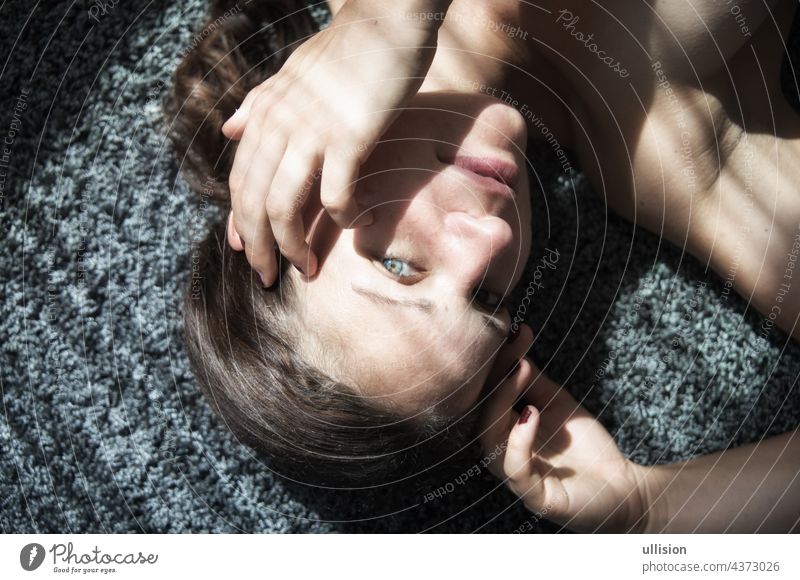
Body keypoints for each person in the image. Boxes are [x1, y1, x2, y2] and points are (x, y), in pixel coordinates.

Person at [166, 0, 799, 531]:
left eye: (400, 267)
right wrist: (648, 509)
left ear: (285, 197)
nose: (490, 239)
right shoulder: (677, 159)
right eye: (487, 300)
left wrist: (379, 21)